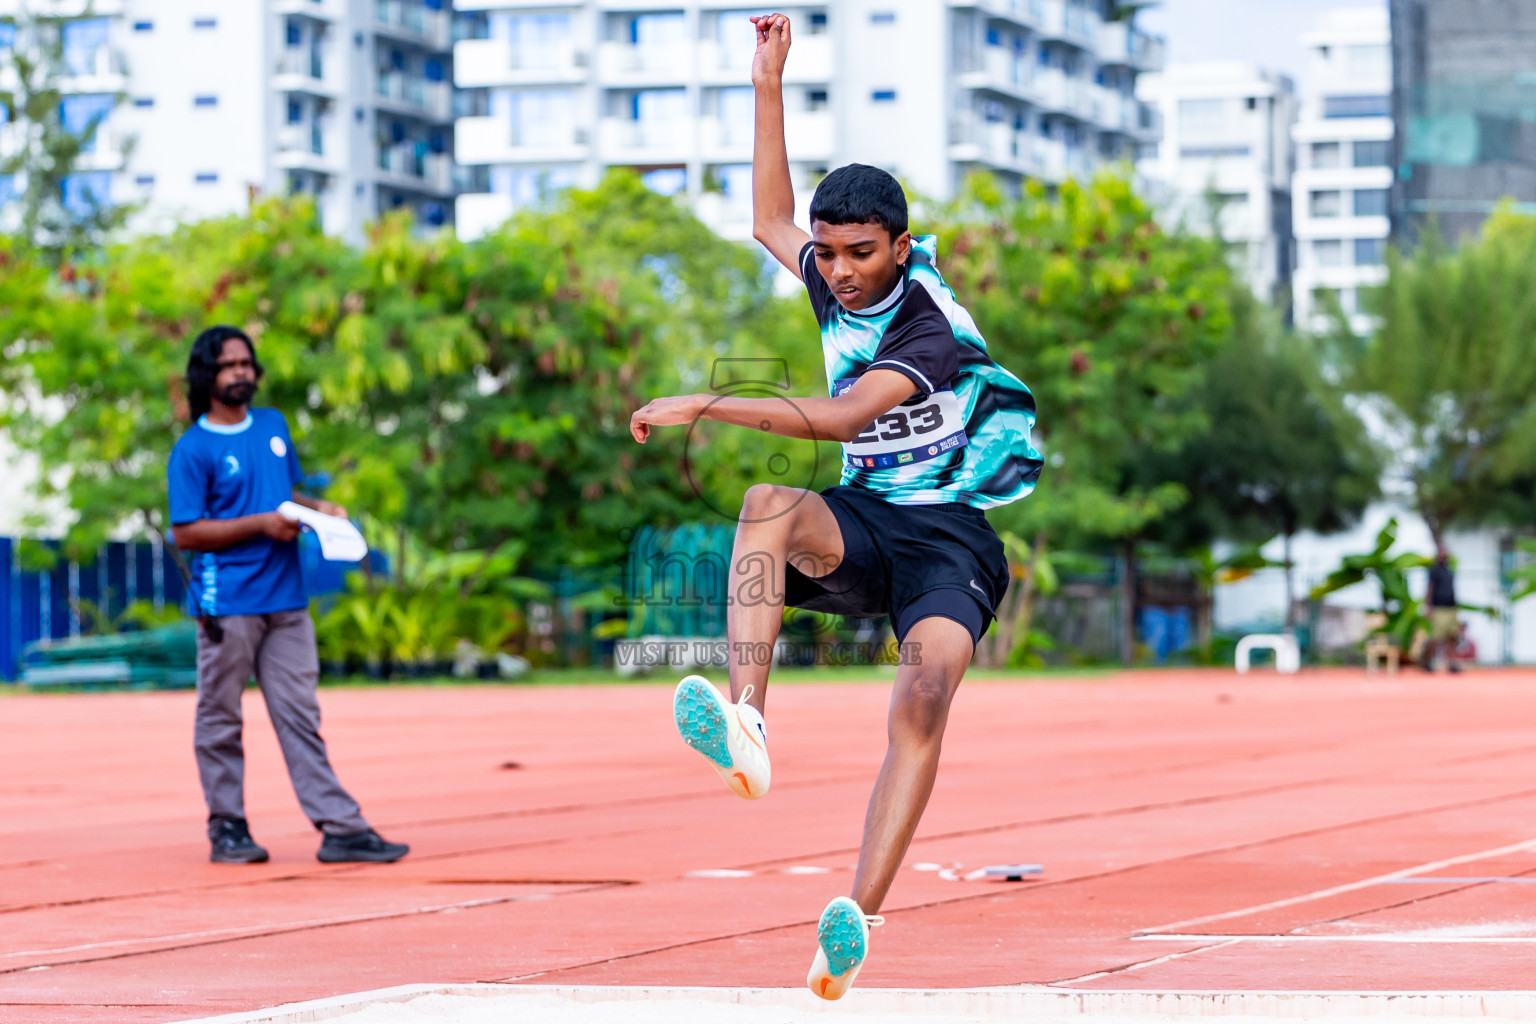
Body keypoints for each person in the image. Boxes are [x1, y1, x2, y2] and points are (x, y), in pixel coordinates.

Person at [629, 13, 1041, 1000]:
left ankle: (854, 921)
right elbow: (770, 222)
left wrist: (708, 402)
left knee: (924, 693)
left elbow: (845, 410)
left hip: (952, 541)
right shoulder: (828, 265)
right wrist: (767, 83)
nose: (839, 272)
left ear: (902, 245)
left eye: (860, 254)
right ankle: (749, 723)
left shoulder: (927, 324)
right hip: (864, 521)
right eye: (831, 255)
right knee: (768, 503)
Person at [168, 325, 409, 865]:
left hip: (287, 600)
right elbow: (185, 532)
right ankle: (227, 827)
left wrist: (316, 509)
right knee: (220, 718)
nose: (241, 373)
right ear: (207, 375)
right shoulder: (193, 449)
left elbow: (283, 495)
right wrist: (260, 524)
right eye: (229, 365)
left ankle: (341, 829)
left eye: (247, 364)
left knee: (301, 714)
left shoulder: (273, 427)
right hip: (226, 602)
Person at [1424, 547, 1461, 673]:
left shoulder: (1450, 569)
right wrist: (1428, 607)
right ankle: (1427, 661)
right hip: (1438, 608)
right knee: (1436, 637)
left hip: (1451, 608)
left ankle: (1452, 663)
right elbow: (1429, 588)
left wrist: (1456, 606)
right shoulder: (1434, 570)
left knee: (1453, 637)